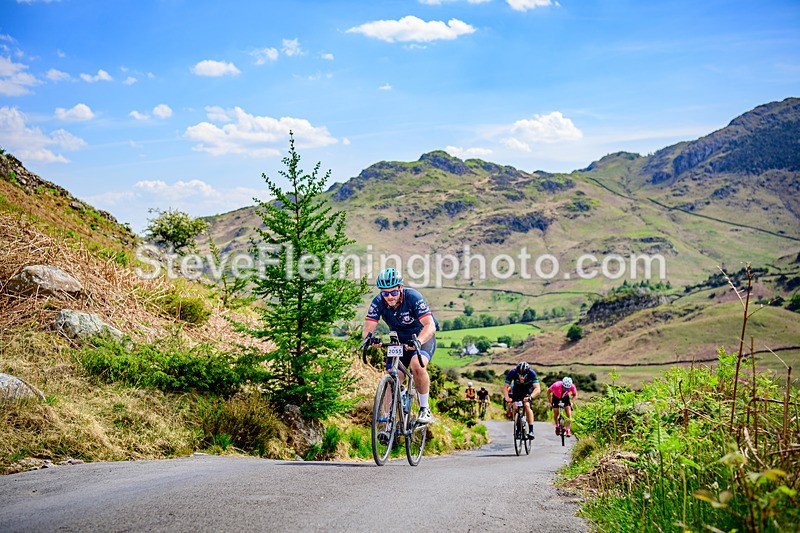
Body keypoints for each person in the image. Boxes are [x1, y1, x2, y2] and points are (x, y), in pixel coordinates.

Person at [363, 268, 437, 425]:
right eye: (385, 293)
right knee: (393, 375)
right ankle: (387, 421)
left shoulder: (413, 297)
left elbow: (430, 325)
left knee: (417, 366)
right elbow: (367, 330)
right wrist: (371, 339)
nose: (389, 297)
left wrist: (419, 341)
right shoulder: (378, 301)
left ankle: (424, 408)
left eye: (393, 292)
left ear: (401, 288)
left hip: (421, 337)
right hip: (398, 341)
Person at [502, 361, 541, 439]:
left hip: (528, 390)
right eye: (520, 374)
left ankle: (531, 430)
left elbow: (537, 388)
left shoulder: (532, 373)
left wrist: (531, 397)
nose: (521, 377)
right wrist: (507, 398)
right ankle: (518, 429)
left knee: (527, 405)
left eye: (523, 374)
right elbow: (505, 387)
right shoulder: (512, 372)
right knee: (515, 407)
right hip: (517, 390)